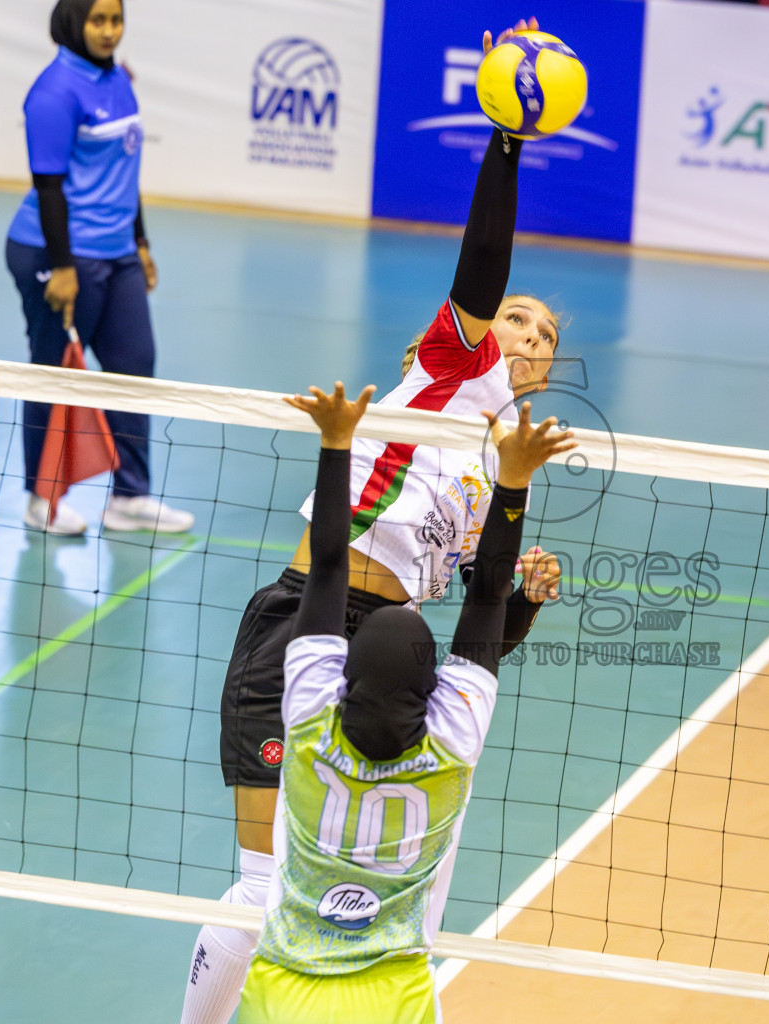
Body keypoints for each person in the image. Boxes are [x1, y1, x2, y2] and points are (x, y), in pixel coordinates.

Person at [179, 20, 565, 1023]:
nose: (526, 334)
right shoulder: (454, 371)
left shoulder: (501, 464)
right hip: (307, 624)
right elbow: (483, 264)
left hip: (397, 655)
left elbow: (485, 618)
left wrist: (522, 597)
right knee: (265, 886)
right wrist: (509, 141)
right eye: (519, 318)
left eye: (546, 334)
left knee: (378, 895)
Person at [234, 380, 573, 1023]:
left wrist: (336, 443)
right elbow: (483, 611)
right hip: (395, 999)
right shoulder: (447, 750)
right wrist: (519, 479)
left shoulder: (308, 727)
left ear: (341, 679)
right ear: (432, 696)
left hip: (283, 990)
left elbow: (328, 566)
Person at [6, 0, 194, 535]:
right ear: (73, 23)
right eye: (98, 21)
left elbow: (124, 171)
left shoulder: (119, 80)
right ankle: (40, 500)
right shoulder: (53, 93)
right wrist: (62, 266)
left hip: (117, 252)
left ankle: (129, 498)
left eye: (116, 20)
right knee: (55, 371)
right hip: (58, 252)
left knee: (134, 365)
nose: (109, 31)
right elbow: (48, 188)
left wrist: (141, 241)